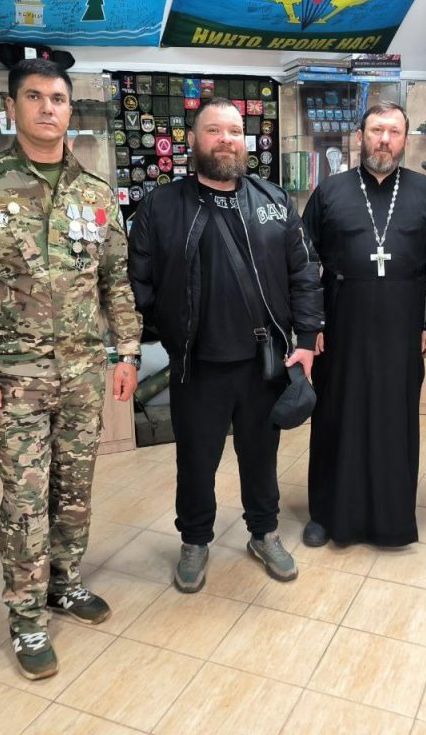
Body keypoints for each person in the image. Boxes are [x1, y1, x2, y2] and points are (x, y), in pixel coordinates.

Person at [0, 58, 142, 679]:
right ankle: (26, 617)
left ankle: (64, 583)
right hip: (11, 378)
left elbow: (116, 283)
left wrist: (126, 353)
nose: (48, 107)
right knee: (26, 500)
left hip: (82, 374)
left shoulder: (95, 193)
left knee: (74, 490)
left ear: (70, 109)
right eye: (34, 97)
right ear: (12, 108)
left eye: (58, 98)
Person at [127, 97, 323, 593]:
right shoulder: (161, 206)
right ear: (194, 139)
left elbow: (303, 273)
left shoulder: (274, 200)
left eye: (234, 131)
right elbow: (138, 283)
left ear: (245, 141)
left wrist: (305, 340)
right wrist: (166, 335)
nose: (225, 140)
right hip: (196, 366)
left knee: (261, 457)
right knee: (196, 462)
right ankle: (195, 541)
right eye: (214, 130)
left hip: (264, 363)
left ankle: (264, 532)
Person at [302, 102, 426, 548]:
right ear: (360, 136)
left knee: (393, 420)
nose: (384, 140)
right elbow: (303, 263)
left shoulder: (425, 192)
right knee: (336, 418)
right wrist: (311, 325)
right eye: (375, 130)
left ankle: (392, 520)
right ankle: (327, 515)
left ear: (405, 140)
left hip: (402, 327)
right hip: (341, 326)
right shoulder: (330, 191)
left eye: (393, 131)